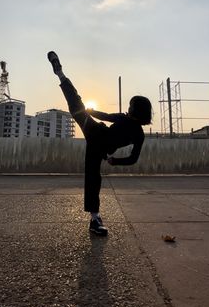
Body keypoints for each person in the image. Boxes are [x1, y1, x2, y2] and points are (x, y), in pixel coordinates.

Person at [47, 51, 153, 236]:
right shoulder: (137, 131)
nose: (128, 108)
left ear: (136, 110)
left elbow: (105, 117)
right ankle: (94, 219)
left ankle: (61, 74)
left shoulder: (130, 125)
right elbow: (132, 158)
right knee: (93, 178)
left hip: (95, 136)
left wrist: (89, 111)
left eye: (130, 106)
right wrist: (114, 160)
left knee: (75, 102)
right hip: (100, 141)